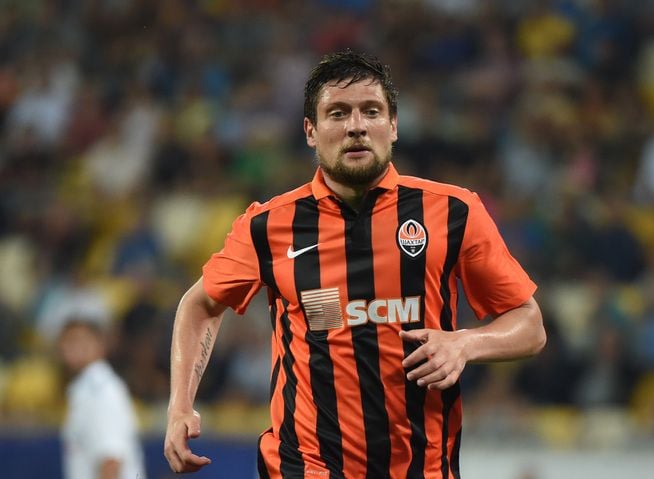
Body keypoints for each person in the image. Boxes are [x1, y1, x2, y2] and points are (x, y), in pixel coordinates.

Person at [164, 50, 546, 478]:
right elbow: (200, 305)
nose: (356, 126)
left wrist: (464, 344)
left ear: (393, 126)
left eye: (372, 111)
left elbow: (530, 325)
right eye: (338, 113)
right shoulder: (268, 225)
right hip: (305, 466)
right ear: (310, 131)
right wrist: (179, 407)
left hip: (422, 467)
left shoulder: (453, 212)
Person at [58, 318, 146, 479]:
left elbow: (111, 461)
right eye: (68, 341)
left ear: (100, 344)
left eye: (80, 340)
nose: (72, 348)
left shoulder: (101, 390)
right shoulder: (84, 389)